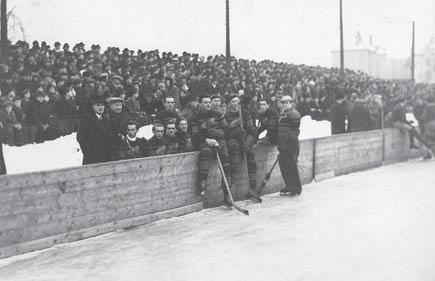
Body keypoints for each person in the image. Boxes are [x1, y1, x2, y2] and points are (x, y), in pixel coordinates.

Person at [191, 95, 231, 207]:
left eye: (209, 102)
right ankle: (202, 183)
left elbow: (227, 130)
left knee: (226, 167)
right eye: (205, 102)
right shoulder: (196, 117)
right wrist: (206, 139)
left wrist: (218, 134)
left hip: (220, 143)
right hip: (206, 142)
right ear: (200, 104)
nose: (208, 104)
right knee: (205, 153)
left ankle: (227, 195)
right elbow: (195, 134)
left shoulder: (218, 114)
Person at [224, 95, 258, 198]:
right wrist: (233, 125)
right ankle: (229, 189)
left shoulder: (245, 114)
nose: (236, 104)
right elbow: (225, 132)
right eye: (233, 102)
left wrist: (247, 143)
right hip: (233, 141)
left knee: (251, 159)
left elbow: (252, 131)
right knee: (233, 162)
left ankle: (252, 188)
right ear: (229, 103)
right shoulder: (226, 116)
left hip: (245, 140)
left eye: (237, 102)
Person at [277, 95, 302, 196]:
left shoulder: (294, 114)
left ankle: (296, 187)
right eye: (283, 103)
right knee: (284, 166)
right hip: (282, 145)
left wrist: (288, 144)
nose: (285, 105)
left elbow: (295, 132)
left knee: (291, 166)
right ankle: (289, 185)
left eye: (287, 103)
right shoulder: (282, 115)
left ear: (291, 103)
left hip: (291, 145)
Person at [76, 95, 112, 165]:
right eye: (98, 105)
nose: (100, 107)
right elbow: (80, 138)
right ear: (92, 106)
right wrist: (88, 153)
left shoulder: (106, 119)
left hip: (106, 157)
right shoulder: (86, 119)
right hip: (92, 158)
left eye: (102, 105)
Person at [106, 97, 131, 161]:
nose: (119, 107)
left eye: (120, 105)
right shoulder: (107, 116)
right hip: (113, 144)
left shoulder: (125, 115)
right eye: (116, 105)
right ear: (110, 106)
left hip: (125, 143)